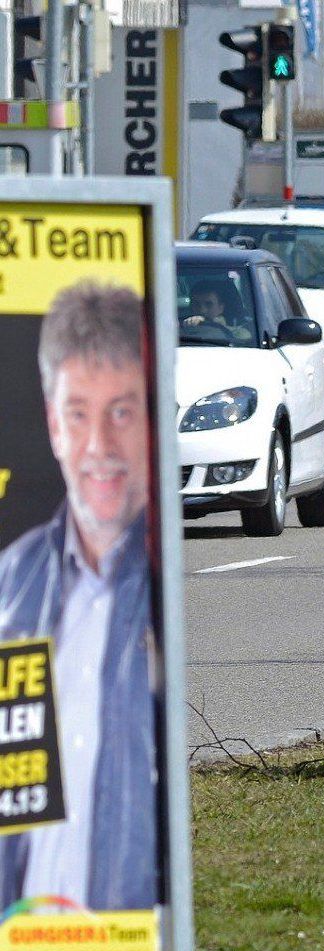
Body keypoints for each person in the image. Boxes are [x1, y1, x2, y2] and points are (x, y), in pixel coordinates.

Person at [0, 281, 157, 912]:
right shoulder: (13, 580)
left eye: (121, 411)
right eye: (78, 413)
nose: (100, 447)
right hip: (25, 936)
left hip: (126, 935)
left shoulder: (156, 585)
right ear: (52, 425)